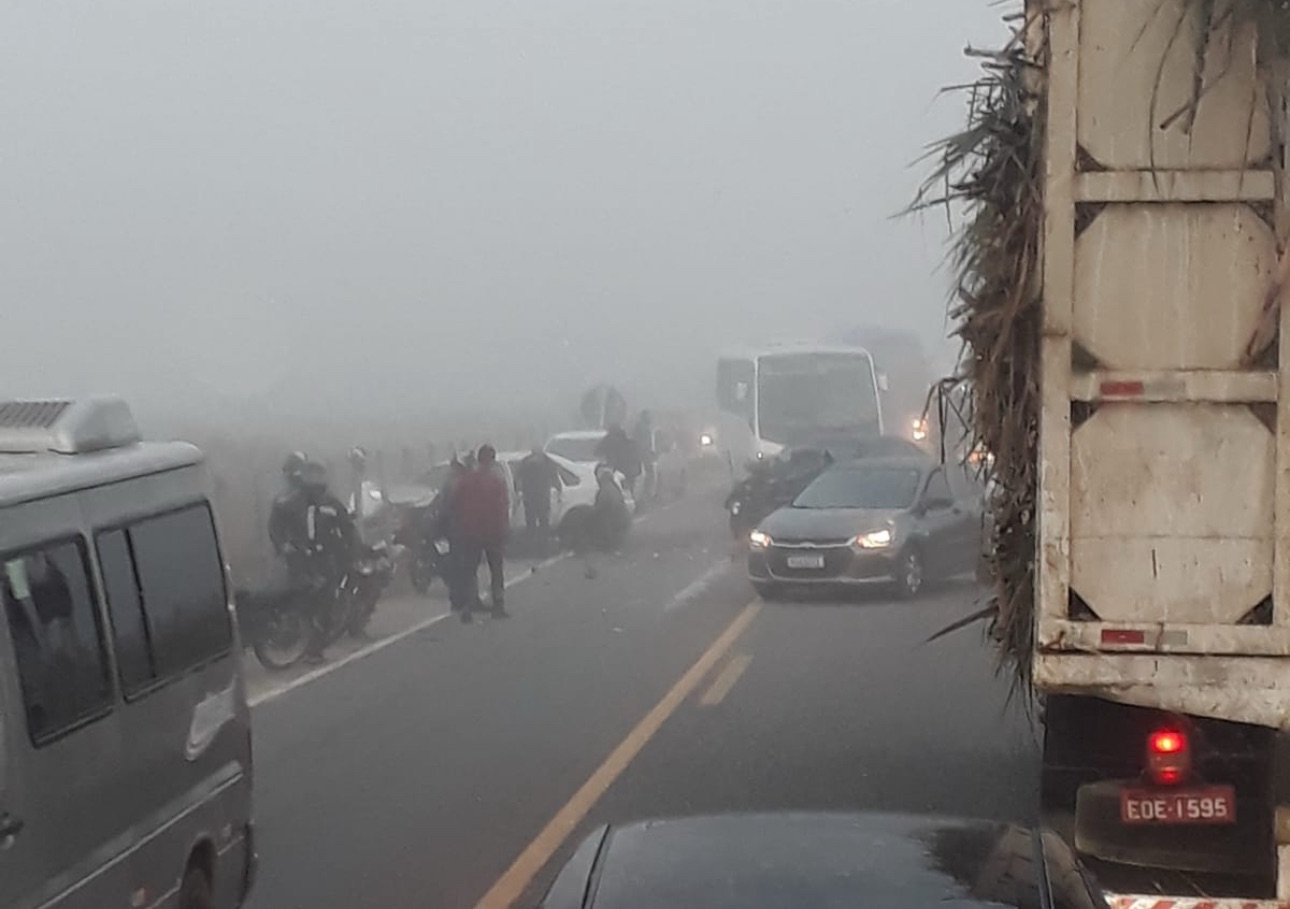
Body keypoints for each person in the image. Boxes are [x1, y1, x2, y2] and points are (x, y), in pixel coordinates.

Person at [294, 461, 360, 662]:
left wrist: (351, 552)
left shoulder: (331, 504)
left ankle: (315, 648)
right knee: (301, 599)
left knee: (325, 601)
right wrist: (285, 545)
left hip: (325, 559)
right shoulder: (294, 502)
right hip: (299, 557)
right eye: (311, 475)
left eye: (318, 475)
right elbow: (279, 525)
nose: (314, 480)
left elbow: (347, 528)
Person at [451, 445, 510, 623]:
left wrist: (460, 527)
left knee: (470, 570)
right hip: (493, 531)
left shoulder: (465, 481)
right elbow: (502, 507)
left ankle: (467, 608)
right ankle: (498, 606)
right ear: (492, 460)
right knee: (496, 570)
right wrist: (504, 529)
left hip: (470, 531)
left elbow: (455, 504)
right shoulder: (496, 481)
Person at [516, 447, 562, 537]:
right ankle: (543, 540)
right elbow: (554, 477)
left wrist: (518, 490)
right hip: (542, 496)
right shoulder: (547, 461)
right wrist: (559, 488)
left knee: (531, 521)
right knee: (544, 521)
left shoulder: (525, 462)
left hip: (530, 496)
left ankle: (532, 539)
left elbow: (517, 477)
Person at [591, 466, 631, 550]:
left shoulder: (605, 490)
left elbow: (601, 509)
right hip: (622, 521)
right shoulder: (614, 487)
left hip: (614, 523)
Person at [633, 410, 656, 502]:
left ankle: (645, 494)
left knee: (646, 474)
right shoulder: (643, 428)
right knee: (647, 474)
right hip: (643, 454)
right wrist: (648, 452)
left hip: (643, 454)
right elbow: (643, 442)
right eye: (648, 416)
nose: (650, 418)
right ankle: (646, 494)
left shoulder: (643, 427)